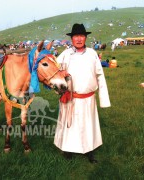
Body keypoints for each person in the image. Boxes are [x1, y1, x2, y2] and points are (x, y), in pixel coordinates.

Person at [54, 23, 111, 163]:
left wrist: (104, 100)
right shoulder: (65, 54)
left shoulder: (92, 54)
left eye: (81, 36)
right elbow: (52, 71)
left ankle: (89, 151)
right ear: (71, 38)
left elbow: (100, 76)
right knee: (69, 125)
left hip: (88, 99)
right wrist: (60, 72)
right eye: (76, 36)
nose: (79, 39)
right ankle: (67, 149)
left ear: (85, 38)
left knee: (87, 125)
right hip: (70, 97)